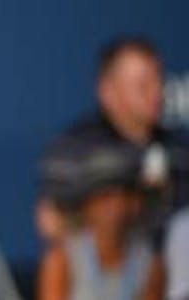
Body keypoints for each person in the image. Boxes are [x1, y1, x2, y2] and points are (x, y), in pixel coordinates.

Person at [39, 38, 189, 246]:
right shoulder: (73, 150)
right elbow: (52, 221)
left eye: (158, 80)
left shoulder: (180, 151)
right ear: (107, 92)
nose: (156, 92)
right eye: (142, 85)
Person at [36, 140, 165, 300]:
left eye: (124, 195)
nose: (115, 206)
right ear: (87, 205)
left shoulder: (149, 263)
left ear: (135, 202)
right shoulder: (62, 259)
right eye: (105, 197)